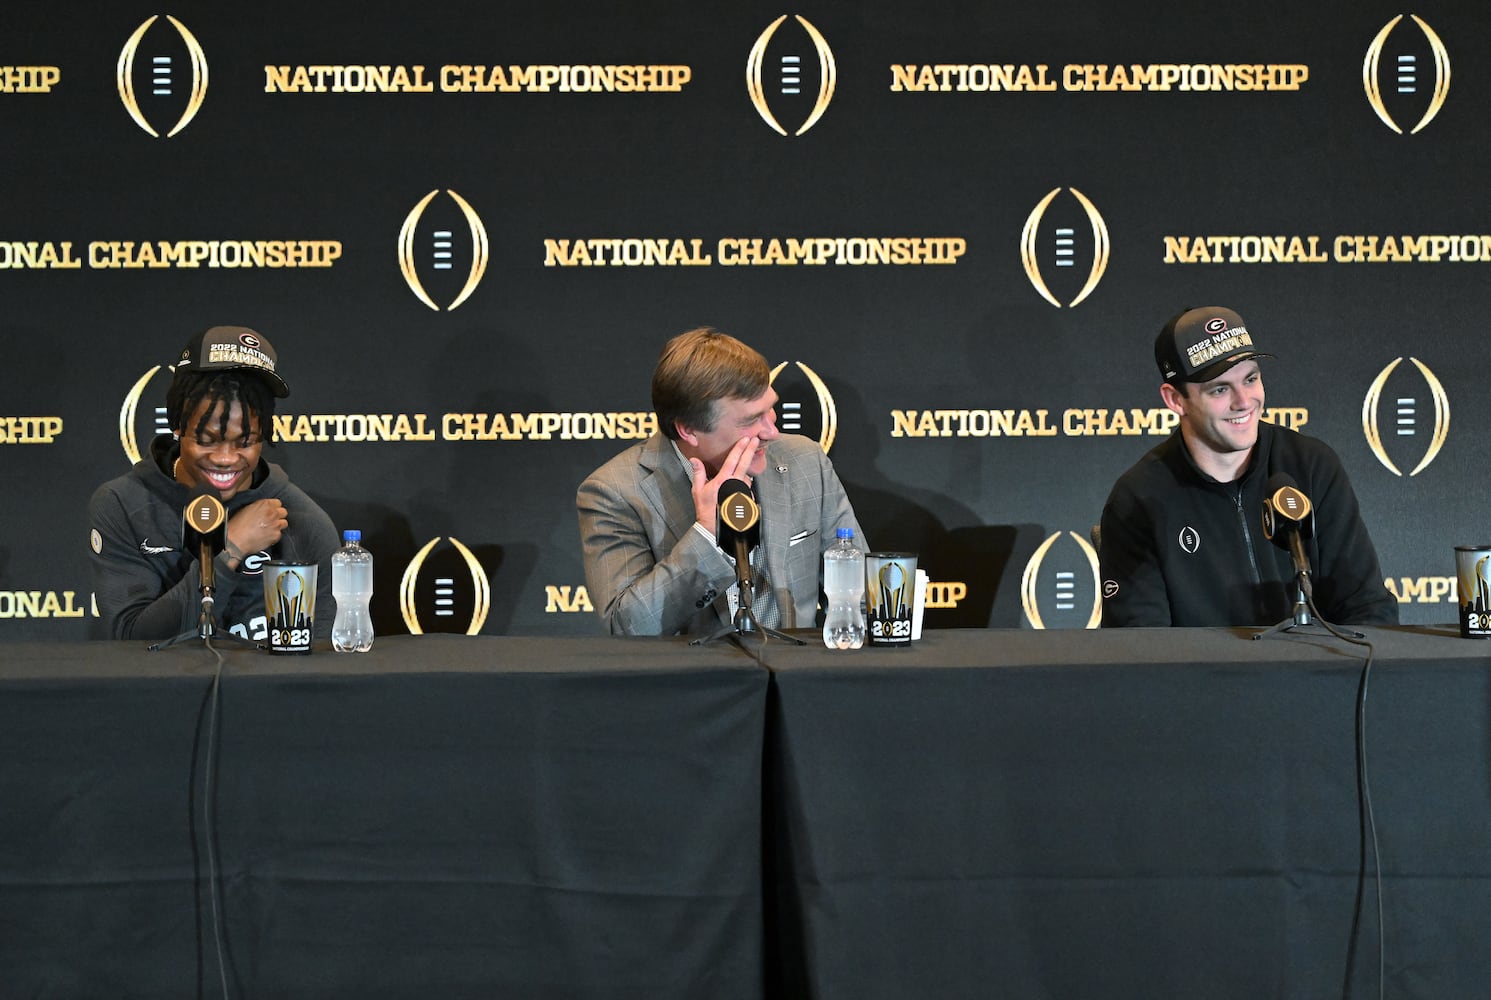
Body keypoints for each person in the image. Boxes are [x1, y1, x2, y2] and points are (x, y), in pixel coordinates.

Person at [1099, 305, 1398, 628]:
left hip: (1317, 675)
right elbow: (1142, 649)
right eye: (1220, 389)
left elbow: (1367, 607)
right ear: (1175, 400)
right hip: (1204, 678)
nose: (1244, 401)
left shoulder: (1310, 465)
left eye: (1251, 379)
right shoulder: (1140, 499)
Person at [577, 327, 866, 636]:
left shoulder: (805, 462)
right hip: (695, 681)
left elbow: (860, 598)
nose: (771, 431)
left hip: (794, 677)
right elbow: (627, 628)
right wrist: (705, 535)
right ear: (688, 430)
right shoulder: (615, 491)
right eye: (751, 420)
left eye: (770, 408)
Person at [89, 326, 340, 642]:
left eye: (245, 442)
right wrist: (231, 547)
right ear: (178, 427)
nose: (225, 458)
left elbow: (322, 662)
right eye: (207, 440)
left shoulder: (303, 522)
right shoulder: (122, 504)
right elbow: (131, 643)